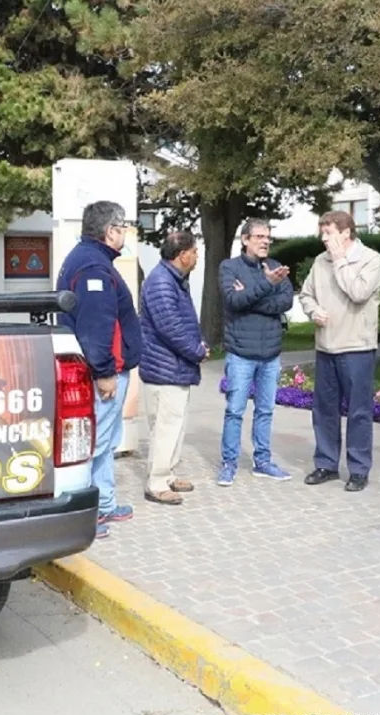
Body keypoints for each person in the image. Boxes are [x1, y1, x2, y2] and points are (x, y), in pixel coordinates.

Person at [56, 200, 143, 538]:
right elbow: (96, 327)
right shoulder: (94, 268)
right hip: (102, 375)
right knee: (94, 442)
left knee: (104, 442)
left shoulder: (88, 259)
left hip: (101, 370)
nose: (126, 234)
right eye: (123, 228)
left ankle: (104, 504)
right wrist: (105, 371)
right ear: (110, 232)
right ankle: (87, 515)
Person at [297, 210, 380, 492]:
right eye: (322, 233)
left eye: (329, 233)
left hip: (357, 347)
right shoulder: (319, 262)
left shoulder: (371, 259)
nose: (323, 239)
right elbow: (306, 294)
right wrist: (313, 311)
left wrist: (339, 261)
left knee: (358, 412)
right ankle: (326, 464)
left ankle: (358, 470)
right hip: (326, 346)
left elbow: (357, 292)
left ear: (346, 233)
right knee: (324, 410)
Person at [216, 219, 294, 486]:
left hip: (270, 353)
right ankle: (229, 463)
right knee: (235, 410)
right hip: (240, 353)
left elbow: (286, 301)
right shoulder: (229, 267)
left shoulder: (276, 267)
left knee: (265, 410)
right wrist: (265, 285)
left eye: (268, 237)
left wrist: (253, 296)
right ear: (245, 239)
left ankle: (263, 462)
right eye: (259, 236)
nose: (265, 241)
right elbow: (234, 301)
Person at [138, 230, 207, 504]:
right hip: (164, 368)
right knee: (165, 427)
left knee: (175, 425)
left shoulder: (174, 279)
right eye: (195, 251)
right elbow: (171, 328)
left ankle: (168, 475)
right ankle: (156, 483)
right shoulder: (161, 282)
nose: (197, 256)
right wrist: (197, 351)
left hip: (174, 367)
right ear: (183, 255)